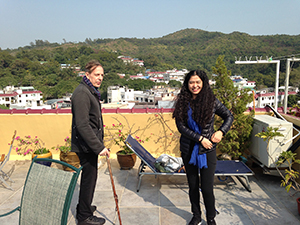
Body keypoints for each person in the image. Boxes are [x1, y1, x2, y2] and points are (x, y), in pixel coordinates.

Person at [172, 70, 233, 225]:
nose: (195, 85)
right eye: (191, 82)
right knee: (193, 187)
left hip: (208, 151)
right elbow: (181, 126)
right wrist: (200, 138)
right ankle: (196, 216)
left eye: (198, 82)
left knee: (207, 188)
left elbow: (229, 116)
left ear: (204, 83)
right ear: (187, 84)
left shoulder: (211, 101)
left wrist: (221, 131)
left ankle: (211, 217)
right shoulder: (182, 102)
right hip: (188, 149)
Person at [71, 59, 110, 225]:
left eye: (101, 75)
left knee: (90, 179)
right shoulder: (82, 93)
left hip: (89, 145)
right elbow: (82, 124)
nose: (100, 78)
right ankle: (84, 217)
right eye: (96, 74)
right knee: (89, 180)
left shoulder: (90, 90)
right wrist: (98, 147)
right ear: (87, 75)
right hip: (86, 146)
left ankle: (84, 207)